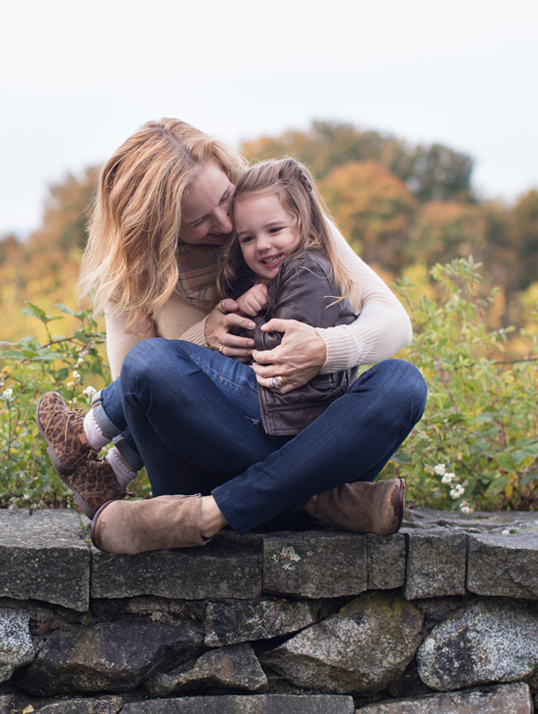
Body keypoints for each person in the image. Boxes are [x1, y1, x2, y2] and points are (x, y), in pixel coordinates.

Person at [36, 119, 427, 554]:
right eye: (200, 220)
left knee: (402, 383)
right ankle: (324, 501)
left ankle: (208, 516)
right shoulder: (135, 272)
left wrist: (326, 349)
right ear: (161, 226)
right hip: (209, 460)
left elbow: (394, 321)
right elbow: (137, 390)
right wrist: (204, 337)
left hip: (302, 437)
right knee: (149, 363)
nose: (225, 222)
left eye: (225, 198)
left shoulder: (271, 210)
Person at [220, 156, 359, 438]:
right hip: (286, 407)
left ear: (302, 223)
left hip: (298, 411)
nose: (262, 245)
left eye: (275, 230)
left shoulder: (308, 269)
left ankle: (111, 434)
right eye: (247, 238)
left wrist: (246, 319)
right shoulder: (270, 278)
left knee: (167, 362)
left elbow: (282, 348)